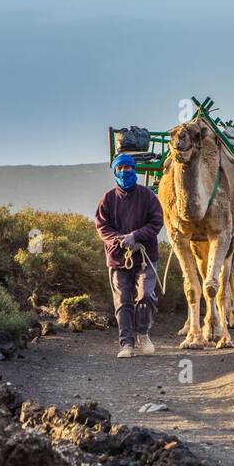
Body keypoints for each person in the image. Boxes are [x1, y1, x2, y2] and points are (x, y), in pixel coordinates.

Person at [94, 153, 164, 358]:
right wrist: (120, 240)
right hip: (117, 258)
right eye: (121, 169)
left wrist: (135, 236)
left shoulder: (148, 196)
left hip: (145, 257)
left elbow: (156, 222)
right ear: (115, 171)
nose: (125, 172)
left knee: (146, 295)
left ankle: (143, 334)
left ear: (135, 170)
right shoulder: (107, 199)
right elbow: (102, 227)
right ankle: (126, 344)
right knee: (123, 301)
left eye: (128, 168)